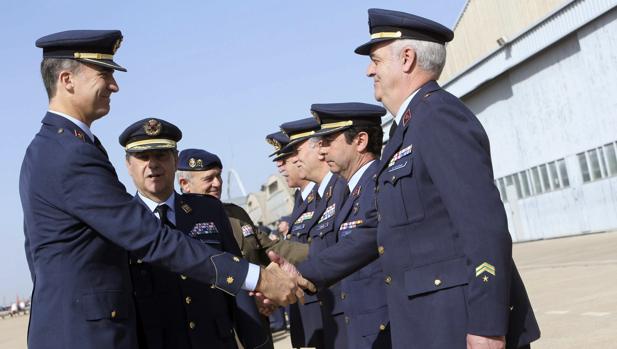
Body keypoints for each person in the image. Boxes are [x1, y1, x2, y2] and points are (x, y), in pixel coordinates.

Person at [19, 29, 302, 349]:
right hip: (84, 337)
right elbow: (151, 237)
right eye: (104, 74)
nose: (114, 85)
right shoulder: (68, 153)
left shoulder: (60, 146)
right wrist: (259, 278)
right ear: (68, 80)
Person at [277, 9, 542, 349]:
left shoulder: (438, 117)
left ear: (407, 58)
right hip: (430, 324)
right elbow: (376, 229)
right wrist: (306, 272)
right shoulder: (408, 131)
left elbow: (484, 226)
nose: (368, 70)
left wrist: (488, 325)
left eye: (375, 60)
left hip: (461, 324)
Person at [120, 118, 271, 349]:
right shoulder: (121, 221)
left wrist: (255, 342)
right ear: (128, 165)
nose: (152, 165)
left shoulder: (209, 210)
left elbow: (236, 281)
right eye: (143, 157)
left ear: (174, 159)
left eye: (161, 155)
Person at [312, 102, 392, 349]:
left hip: (386, 328)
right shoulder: (349, 191)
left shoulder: (380, 184)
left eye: (328, 141)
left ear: (360, 141)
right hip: (361, 328)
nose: (321, 152)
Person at [280, 118, 350, 349]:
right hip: (324, 307)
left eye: (297, 151)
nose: (294, 160)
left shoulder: (341, 189)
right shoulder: (318, 198)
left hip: (345, 310)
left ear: (319, 150)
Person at [176, 149, 309, 266]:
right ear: (185, 184)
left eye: (218, 176)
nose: (217, 183)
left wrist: (320, 253)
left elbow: (269, 247)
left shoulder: (235, 213)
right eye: (209, 178)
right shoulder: (175, 220)